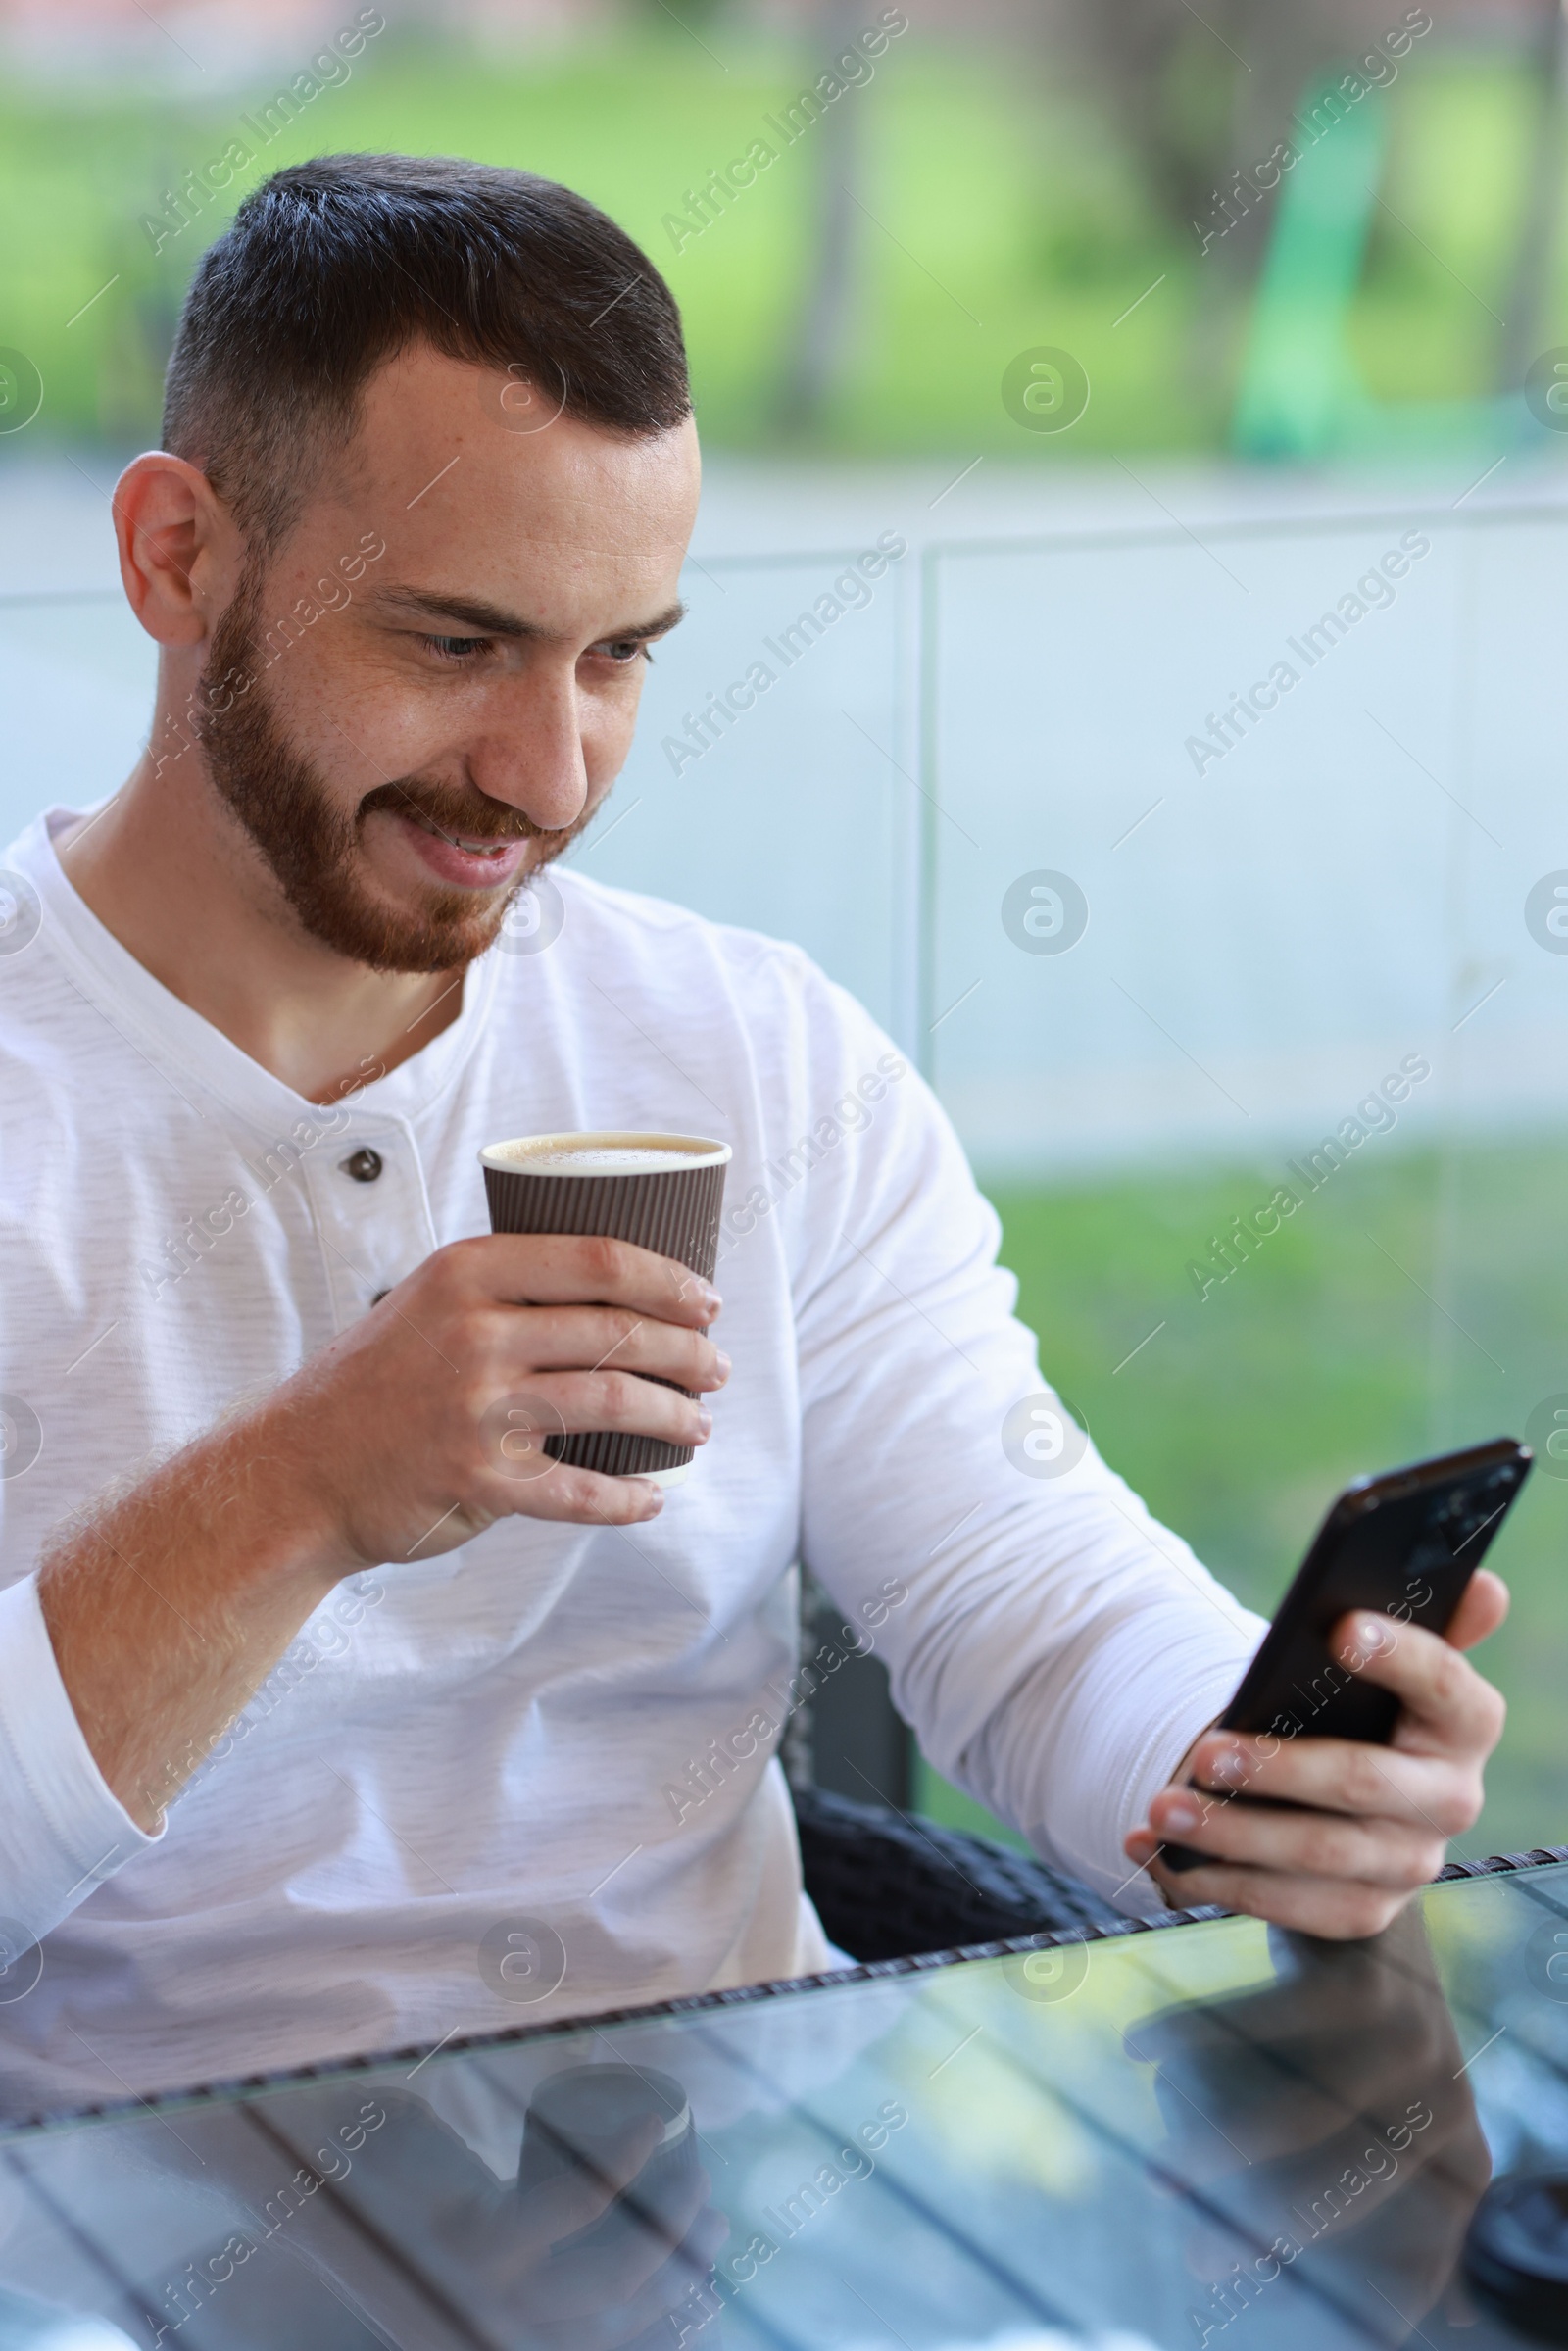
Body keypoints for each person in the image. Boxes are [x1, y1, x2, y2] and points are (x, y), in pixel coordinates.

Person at [0, 154, 1507, 2114]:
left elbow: (1013, 1575)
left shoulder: (752, 1054)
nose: (547, 777)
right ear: (178, 556)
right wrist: (298, 1489)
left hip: (746, 2210)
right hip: (133, 2235)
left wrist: (1240, 1764)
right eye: (455, 644)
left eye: (618, 655)